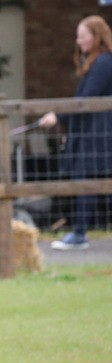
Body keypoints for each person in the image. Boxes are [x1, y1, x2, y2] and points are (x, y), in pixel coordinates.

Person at [39, 15, 112, 250]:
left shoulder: (103, 63)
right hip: (91, 130)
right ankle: (79, 231)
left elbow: (86, 100)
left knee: (86, 181)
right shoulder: (96, 62)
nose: (78, 41)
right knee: (86, 181)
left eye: (82, 36)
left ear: (96, 37)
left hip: (99, 132)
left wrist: (58, 117)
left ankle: (79, 233)